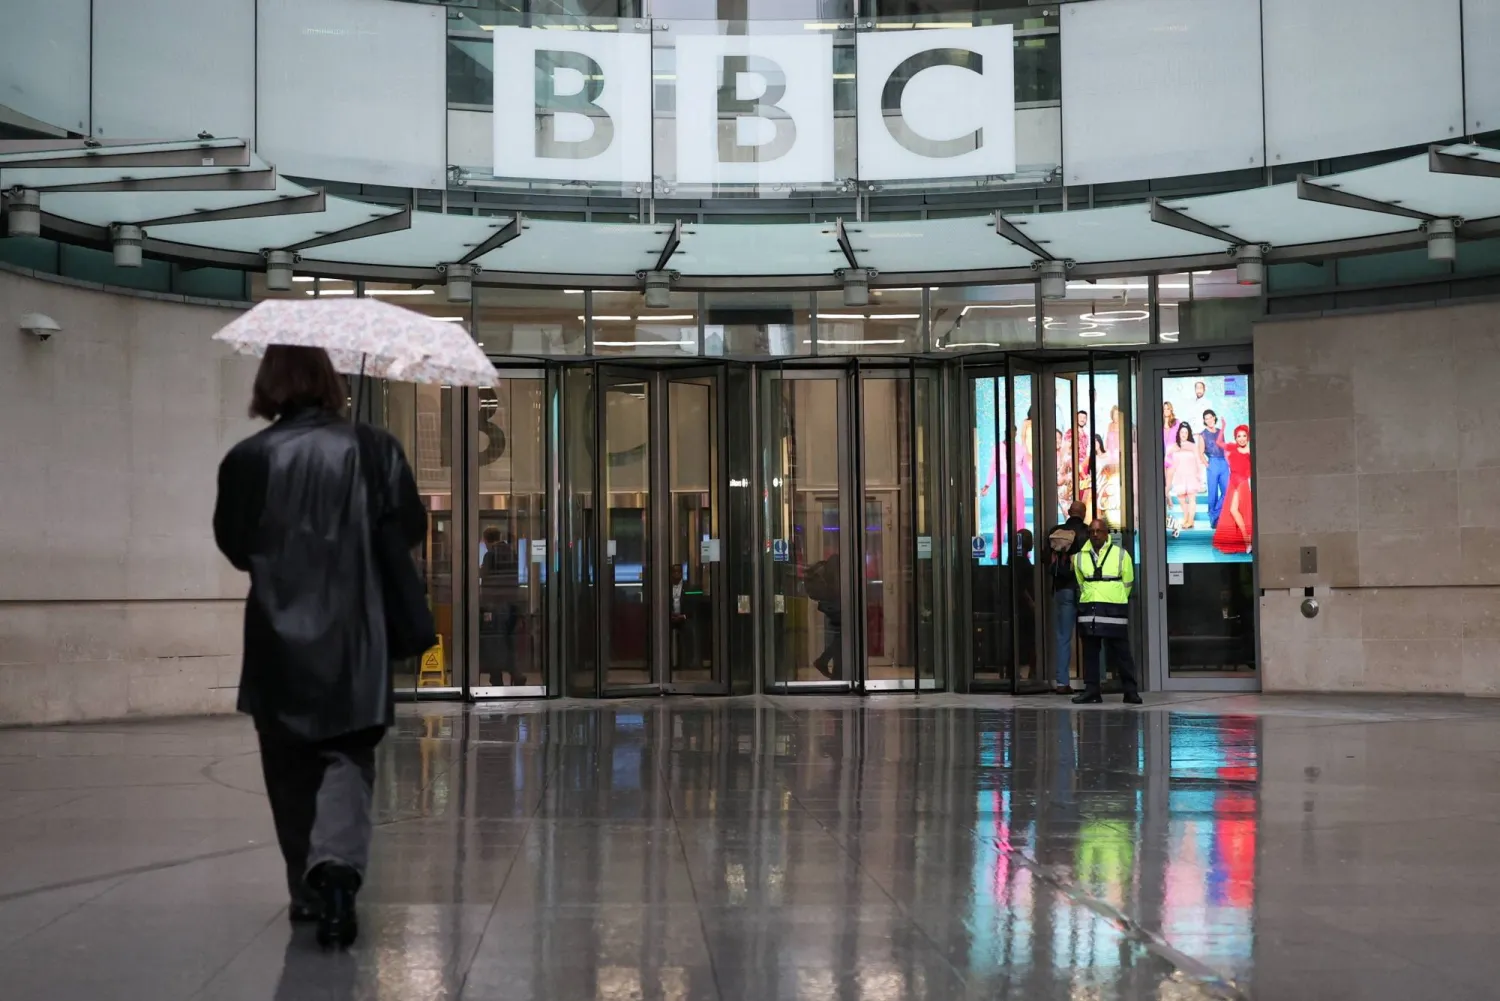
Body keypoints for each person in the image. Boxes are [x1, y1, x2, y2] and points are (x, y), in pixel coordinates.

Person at [213, 345, 425, 949]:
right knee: (347, 761)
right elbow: (408, 526)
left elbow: (234, 546)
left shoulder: (247, 458)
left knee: (287, 768)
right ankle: (337, 873)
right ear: (330, 382)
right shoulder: (375, 447)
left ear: (268, 385)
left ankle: (306, 894)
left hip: (278, 635)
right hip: (357, 636)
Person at [1072, 519, 1142, 705]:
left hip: (1114, 608)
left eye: (1099, 531)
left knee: (1122, 652)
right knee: (1090, 653)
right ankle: (1092, 691)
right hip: (1090, 609)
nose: (1095, 534)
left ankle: (1130, 691)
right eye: (1092, 531)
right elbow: (1081, 582)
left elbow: (1128, 582)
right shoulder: (1079, 557)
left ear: (1106, 533)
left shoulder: (1121, 555)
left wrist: (1116, 596)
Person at [1045, 502, 1089, 695]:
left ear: (1069, 513)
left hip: (1062, 589)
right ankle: (1094, 680)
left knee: (1063, 636)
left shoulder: (1056, 532)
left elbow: (1044, 559)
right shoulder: (1088, 533)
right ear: (1084, 514)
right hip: (1084, 589)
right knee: (1090, 636)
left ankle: (1062, 682)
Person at [479, 526, 523, 686]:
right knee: (508, 640)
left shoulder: (490, 555)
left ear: (486, 540)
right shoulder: (512, 553)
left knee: (493, 642)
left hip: (495, 605)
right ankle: (516, 673)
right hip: (512, 603)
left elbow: (484, 575)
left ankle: (496, 677)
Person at [1213, 425, 1255, 555]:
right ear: (1235, 438)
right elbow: (1219, 443)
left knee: (1239, 510)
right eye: (1239, 436)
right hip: (1233, 482)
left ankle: (1248, 541)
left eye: (1244, 436)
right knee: (1233, 510)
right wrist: (1223, 428)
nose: (1241, 439)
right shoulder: (1232, 447)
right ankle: (1247, 540)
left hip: (1243, 483)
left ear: (1248, 436)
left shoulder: (1251, 451)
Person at [807, 549, 841, 679]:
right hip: (835, 605)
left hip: (830, 605)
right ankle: (823, 661)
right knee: (843, 636)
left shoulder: (833, 561)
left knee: (841, 636)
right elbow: (837, 588)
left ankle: (836, 672)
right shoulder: (837, 562)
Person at [1166, 423, 1206, 535]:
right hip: (1179, 476)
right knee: (1181, 499)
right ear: (1179, 433)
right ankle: (1186, 518)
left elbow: (1198, 461)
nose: (1183, 434)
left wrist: (1199, 476)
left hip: (1191, 475)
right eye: (1182, 432)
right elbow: (1167, 459)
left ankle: (1191, 520)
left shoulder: (1192, 446)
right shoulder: (1174, 446)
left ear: (1188, 434)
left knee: (1192, 498)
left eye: (1186, 432)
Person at [1200, 410, 1231, 529]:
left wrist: (1229, 463)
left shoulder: (1220, 432)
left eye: (1210, 417)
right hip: (1212, 462)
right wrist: (1208, 465)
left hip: (1224, 462)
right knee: (1212, 493)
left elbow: (1225, 448)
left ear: (1214, 418)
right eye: (1206, 418)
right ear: (1204, 421)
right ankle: (1214, 520)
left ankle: (1214, 513)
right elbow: (1200, 452)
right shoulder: (1203, 434)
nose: (1209, 420)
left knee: (1227, 491)